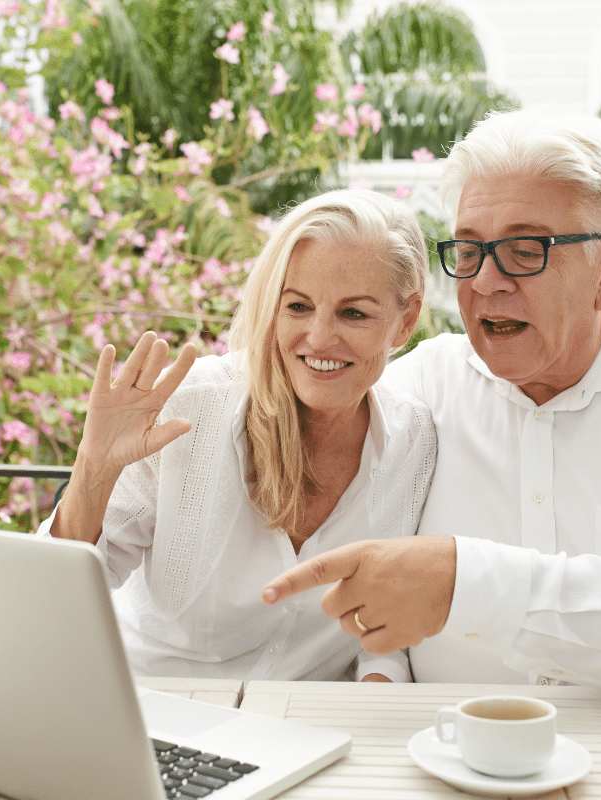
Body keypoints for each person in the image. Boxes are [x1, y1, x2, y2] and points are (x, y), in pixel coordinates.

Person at [261, 109, 601, 718]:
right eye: (469, 251)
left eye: (525, 251)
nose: (487, 282)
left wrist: (466, 584)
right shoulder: (416, 388)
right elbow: (374, 579)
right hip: (449, 759)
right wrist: (382, 677)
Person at [40, 188, 436, 683]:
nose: (318, 337)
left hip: (304, 732)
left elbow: (383, 624)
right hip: (158, 716)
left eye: (353, 313)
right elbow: (54, 601)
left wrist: (379, 688)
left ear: (405, 322)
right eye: (297, 306)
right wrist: (94, 469)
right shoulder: (190, 407)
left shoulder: (415, 442)